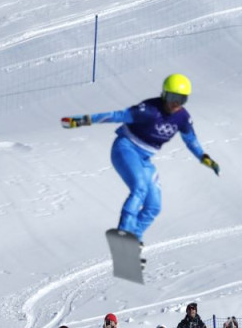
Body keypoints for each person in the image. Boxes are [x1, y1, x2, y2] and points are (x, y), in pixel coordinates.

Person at [62, 74, 220, 242]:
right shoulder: (149, 110)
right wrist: (81, 121)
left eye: (181, 99)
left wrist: (204, 157)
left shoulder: (182, 118)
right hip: (126, 148)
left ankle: (133, 242)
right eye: (172, 97)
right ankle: (123, 233)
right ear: (164, 94)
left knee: (154, 206)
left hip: (145, 159)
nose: (176, 104)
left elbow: (191, 140)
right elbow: (117, 115)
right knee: (140, 188)